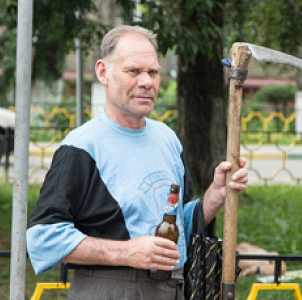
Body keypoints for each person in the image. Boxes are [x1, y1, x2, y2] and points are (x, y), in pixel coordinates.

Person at [26, 25, 248, 300]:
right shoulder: (81, 146)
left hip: (174, 287)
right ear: (103, 72)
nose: (147, 82)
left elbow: (174, 225)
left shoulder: (166, 138)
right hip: (111, 289)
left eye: (153, 72)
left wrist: (214, 197)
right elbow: (42, 238)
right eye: (133, 71)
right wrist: (127, 252)